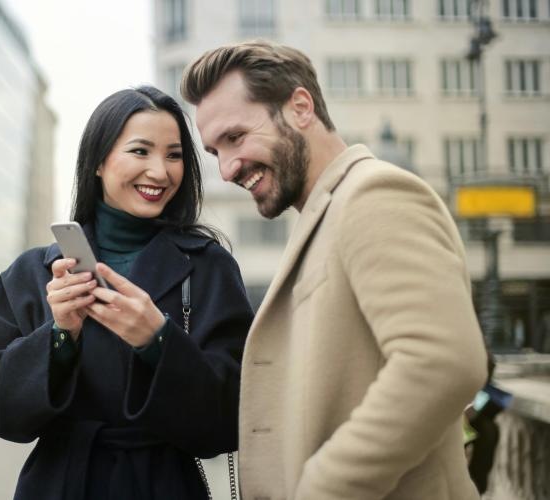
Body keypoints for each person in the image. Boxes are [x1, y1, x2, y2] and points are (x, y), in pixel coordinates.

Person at [181, 41, 489, 500]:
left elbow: (443, 362)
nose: (226, 169)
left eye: (236, 137)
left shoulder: (373, 194)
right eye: (215, 152)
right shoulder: (324, 214)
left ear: (300, 107)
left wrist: (324, 487)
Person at [0, 85, 253, 499]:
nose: (160, 171)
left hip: (166, 486)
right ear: (98, 162)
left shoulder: (208, 266)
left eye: (174, 155)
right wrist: (60, 334)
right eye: (140, 151)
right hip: (61, 484)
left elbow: (234, 411)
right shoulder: (33, 272)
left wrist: (158, 339)